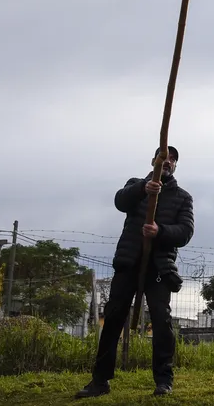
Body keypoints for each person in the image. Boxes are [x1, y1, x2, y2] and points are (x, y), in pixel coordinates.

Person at [76, 146, 194, 399]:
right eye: (164, 156)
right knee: (113, 318)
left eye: (173, 159)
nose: (168, 161)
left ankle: (164, 381)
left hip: (160, 267)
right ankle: (100, 381)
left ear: (175, 166)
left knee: (162, 321)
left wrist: (159, 231)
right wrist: (144, 188)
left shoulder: (182, 197)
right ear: (154, 160)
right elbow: (120, 201)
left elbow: (185, 232)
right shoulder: (136, 185)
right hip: (129, 263)